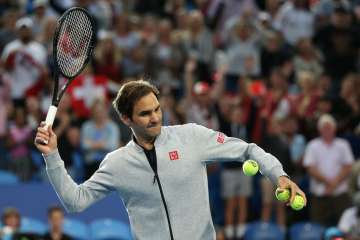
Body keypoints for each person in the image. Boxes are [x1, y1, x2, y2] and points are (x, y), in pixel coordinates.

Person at [35, 80, 307, 239]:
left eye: (157, 109)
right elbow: (75, 201)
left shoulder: (191, 136)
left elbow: (248, 149)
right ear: (126, 119)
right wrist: (53, 156)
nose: (155, 118)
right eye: (145, 114)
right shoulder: (116, 163)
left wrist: (279, 176)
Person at [303, 114, 354, 226]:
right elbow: (310, 168)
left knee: (346, 227)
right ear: (319, 129)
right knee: (317, 227)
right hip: (319, 193)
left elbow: (348, 166)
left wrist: (334, 183)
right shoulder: (313, 145)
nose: (327, 130)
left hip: (340, 193)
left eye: (329, 127)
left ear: (334, 128)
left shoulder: (343, 145)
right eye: (324, 127)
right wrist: (328, 182)